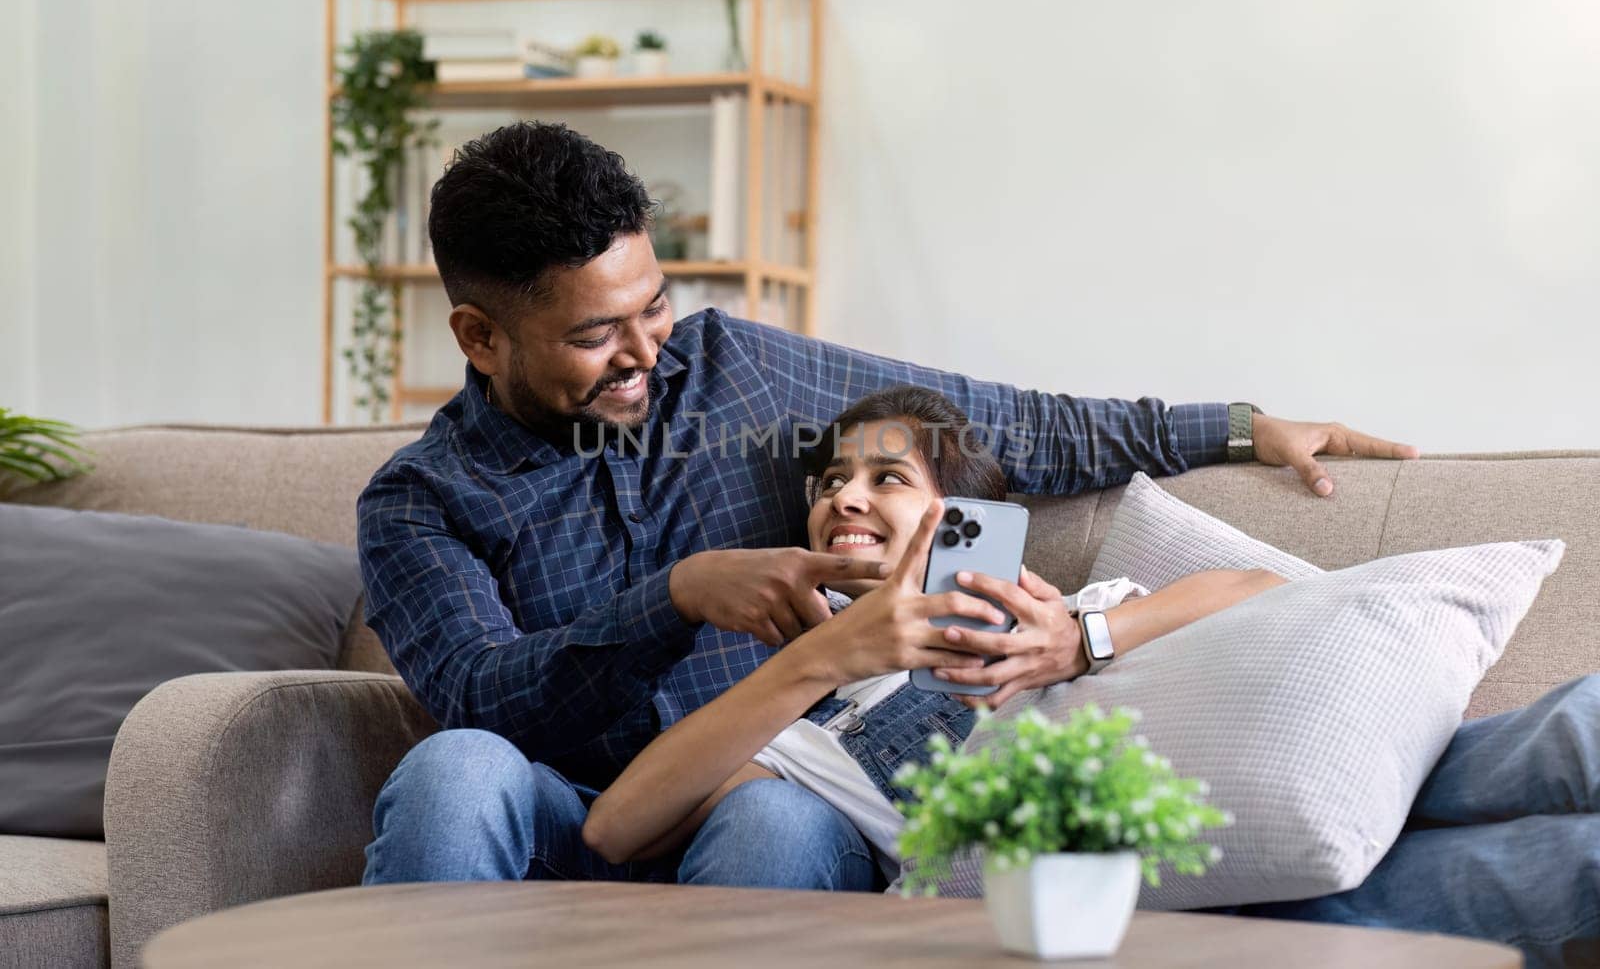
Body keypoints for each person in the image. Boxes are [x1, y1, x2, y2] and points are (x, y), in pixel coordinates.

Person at [356, 120, 1418, 891]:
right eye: (597, 335)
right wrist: (675, 596)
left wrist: (1242, 428)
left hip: (777, 805)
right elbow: (483, 698)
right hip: (576, 822)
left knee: (773, 814)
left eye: (655, 305)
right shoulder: (421, 501)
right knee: (455, 768)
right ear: (481, 336)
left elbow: (1009, 424)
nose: (646, 354)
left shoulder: (745, 379)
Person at [580, 385, 1288, 883]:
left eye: (886, 477)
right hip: (838, 873)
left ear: (962, 520)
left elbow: (1265, 592)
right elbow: (615, 829)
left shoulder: (1066, 613)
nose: (844, 497)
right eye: (830, 482)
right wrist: (819, 658)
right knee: (768, 815)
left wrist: (1082, 639)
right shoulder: (802, 708)